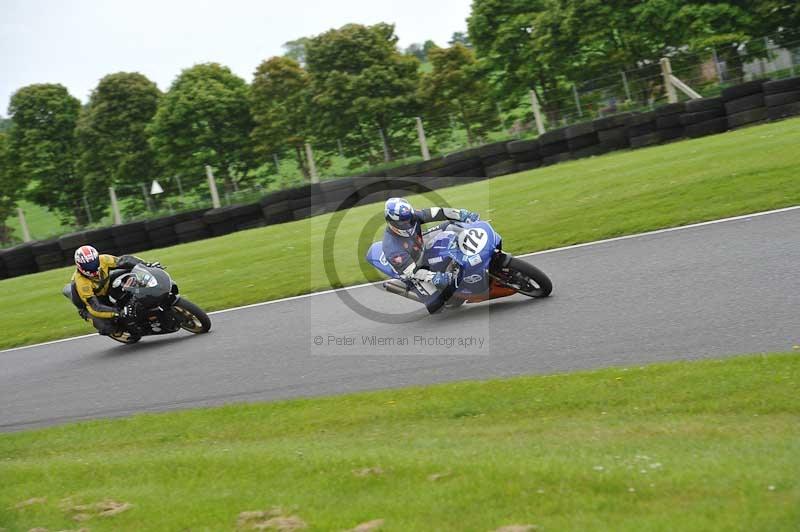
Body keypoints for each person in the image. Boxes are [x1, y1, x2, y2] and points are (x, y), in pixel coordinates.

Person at [382, 197, 479, 298]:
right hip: (411, 269)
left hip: (419, 245)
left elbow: (438, 213)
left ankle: (473, 252)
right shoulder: (391, 247)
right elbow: (412, 271)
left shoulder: (413, 216)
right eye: (402, 222)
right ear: (391, 222)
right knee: (436, 300)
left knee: (453, 225)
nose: (407, 223)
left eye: (409, 219)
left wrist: (461, 214)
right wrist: (434, 277)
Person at [67, 245, 160, 335]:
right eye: (88, 266)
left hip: (104, 285)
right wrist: (118, 312)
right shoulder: (82, 283)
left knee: (130, 271)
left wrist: (147, 265)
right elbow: (95, 307)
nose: (92, 267)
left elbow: (124, 261)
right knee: (107, 327)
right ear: (79, 266)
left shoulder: (103, 259)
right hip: (89, 304)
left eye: (94, 263)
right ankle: (125, 329)